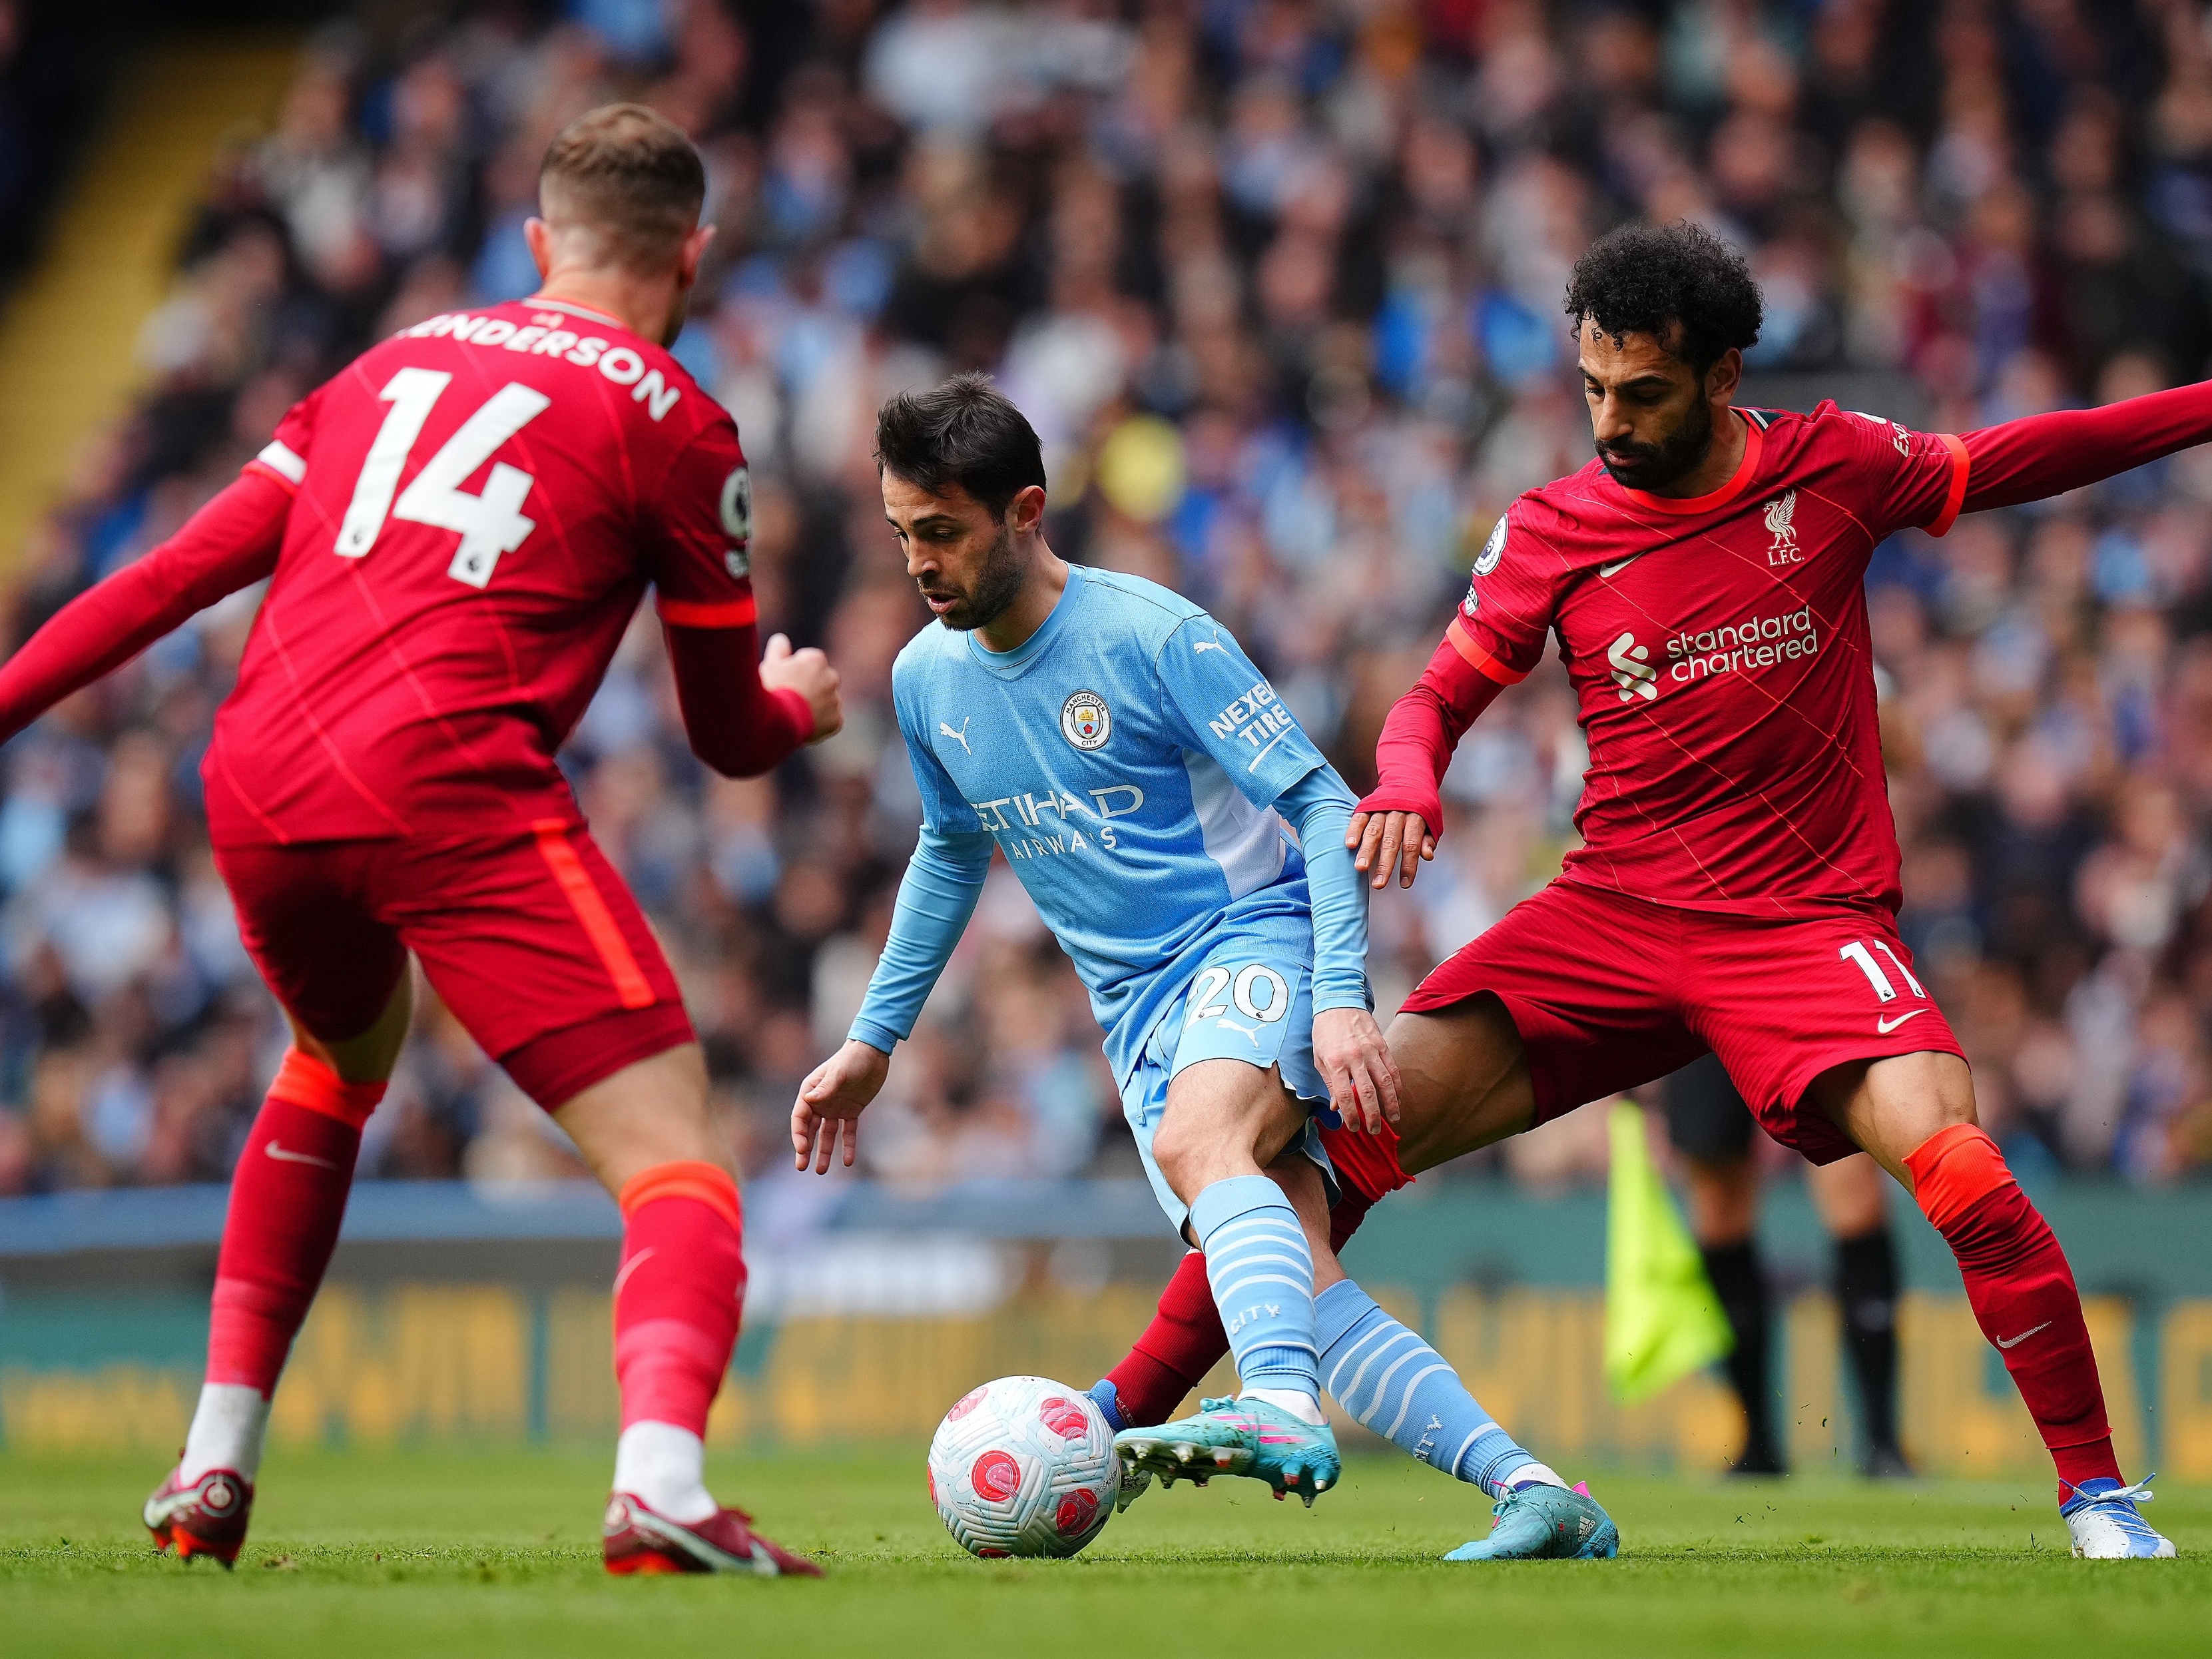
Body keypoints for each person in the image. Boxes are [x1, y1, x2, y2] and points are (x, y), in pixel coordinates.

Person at [0, 105, 840, 1576]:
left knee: (336, 1060)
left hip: (257, 783)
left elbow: (168, 579)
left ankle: (212, 1461)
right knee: (678, 1168)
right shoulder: (678, 423)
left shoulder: (382, 367)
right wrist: (795, 704)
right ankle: (660, 1483)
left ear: (537, 245)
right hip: (443, 785)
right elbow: (722, 738)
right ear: (692, 256)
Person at [1340, 218, 2189, 1559]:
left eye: (1641, 393)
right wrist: (1406, 776)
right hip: (1615, 917)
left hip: (1799, 927)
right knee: (1335, 1144)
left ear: (1722, 373)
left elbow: (2021, 454)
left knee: (1954, 1169)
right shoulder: (1551, 527)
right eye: (1590, 391)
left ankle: (2089, 1497)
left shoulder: (1834, 467)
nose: (1608, 422)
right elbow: (1432, 699)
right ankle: (1125, 1413)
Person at [790, 374, 1618, 1561]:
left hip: (1253, 942)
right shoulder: (928, 680)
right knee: (1303, 1279)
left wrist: (1336, 997)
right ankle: (1536, 1491)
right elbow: (948, 850)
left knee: (1201, 1146)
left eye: (941, 532)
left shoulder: (1152, 635)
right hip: (1137, 1016)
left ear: (1026, 511)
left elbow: (1324, 806)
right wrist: (872, 1041)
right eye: (901, 533)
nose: (918, 562)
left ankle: (1276, 1407)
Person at [1661, 1054, 1909, 1478]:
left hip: (1807, 998)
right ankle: (1756, 1441)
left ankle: (1883, 1442)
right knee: (1717, 1207)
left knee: (1853, 1184)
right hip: (1703, 1010)